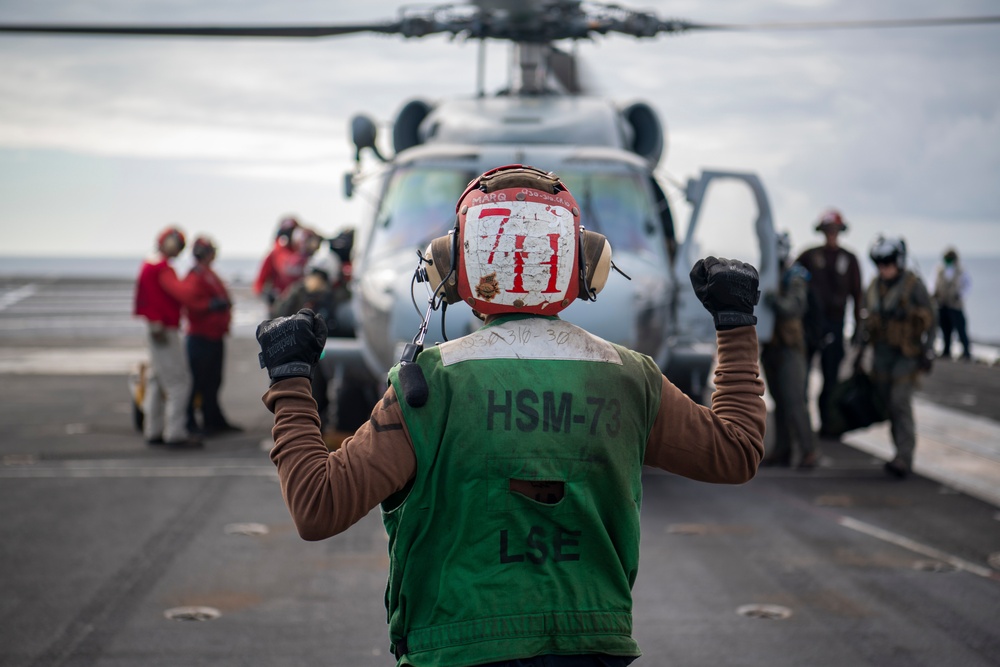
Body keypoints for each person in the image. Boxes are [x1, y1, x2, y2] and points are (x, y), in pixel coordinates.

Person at [256, 165, 766, 666]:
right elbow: (736, 452)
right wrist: (736, 324)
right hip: (593, 645)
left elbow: (317, 506)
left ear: (452, 263)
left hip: (456, 646)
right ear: (586, 262)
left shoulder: (431, 385)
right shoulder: (630, 378)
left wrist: (291, 379)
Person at [859, 235, 935, 479]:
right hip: (881, 353)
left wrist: (929, 350)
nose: (883, 267)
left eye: (888, 262)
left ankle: (904, 457)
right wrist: (859, 351)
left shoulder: (914, 286)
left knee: (900, 400)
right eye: (879, 262)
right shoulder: (874, 287)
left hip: (906, 354)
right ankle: (898, 453)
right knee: (888, 403)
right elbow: (865, 321)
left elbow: (932, 319)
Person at [794, 208, 863, 435]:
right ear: (822, 232)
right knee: (801, 376)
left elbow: (857, 296)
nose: (831, 234)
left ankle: (828, 424)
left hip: (836, 325)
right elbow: (791, 280)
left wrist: (858, 328)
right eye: (828, 230)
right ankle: (800, 426)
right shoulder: (808, 256)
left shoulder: (849, 259)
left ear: (840, 232)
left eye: (835, 230)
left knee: (831, 378)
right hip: (810, 327)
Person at [132, 226, 202, 449]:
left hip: (154, 327)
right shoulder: (162, 268)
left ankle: (152, 430)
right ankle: (176, 432)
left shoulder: (149, 264)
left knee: (156, 380)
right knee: (179, 383)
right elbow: (182, 293)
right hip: (165, 329)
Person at [272, 253, 349, 439]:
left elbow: (278, 312)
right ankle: (312, 434)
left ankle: (294, 432)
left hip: (295, 352)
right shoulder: (335, 294)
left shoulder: (298, 290)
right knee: (317, 395)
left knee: (295, 393)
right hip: (318, 353)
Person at [760, 232, 820, 469]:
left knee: (795, 400)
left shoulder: (795, 276)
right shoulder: (769, 275)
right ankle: (783, 449)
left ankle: (809, 451)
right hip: (772, 347)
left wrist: (774, 301)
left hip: (790, 348)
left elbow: (794, 306)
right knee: (780, 401)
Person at [183, 236, 241, 437]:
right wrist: (210, 306)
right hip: (201, 337)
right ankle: (190, 422)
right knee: (197, 382)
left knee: (213, 381)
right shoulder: (196, 276)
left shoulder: (208, 274)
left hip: (214, 336)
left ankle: (212, 419)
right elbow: (190, 302)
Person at [933, 246, 972, 360]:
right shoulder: (939, 270)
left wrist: (961, 295)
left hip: (955, 305)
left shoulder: (961, 271)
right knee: (945, 329)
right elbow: (933, 283)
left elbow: (968, 285)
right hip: (942, 304)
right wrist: (934, 293)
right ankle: (946, 351)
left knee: (961, 329)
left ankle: (966, 352)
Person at [253, 216, 300, 310]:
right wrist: (268, 295)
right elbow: (259, 283)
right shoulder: (275, 254)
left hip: (303, 305)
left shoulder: (305, 255)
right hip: (282, 306)